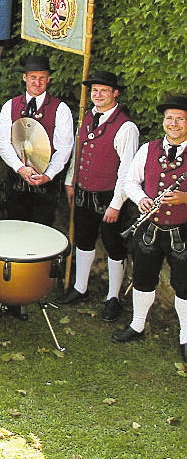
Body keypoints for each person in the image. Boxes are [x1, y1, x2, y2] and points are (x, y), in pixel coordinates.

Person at [56, 70, 141, 322]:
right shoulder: (87, 118)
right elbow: (78, 151)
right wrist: (72, 180)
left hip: (109, 197)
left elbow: (127, 171)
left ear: (115, 93)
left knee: (113, 245)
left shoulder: (126, 128)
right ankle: (80, 288)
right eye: (94, 90)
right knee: (84, 239)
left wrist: (116, 205)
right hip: (83, 191)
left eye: (104, 90)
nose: (98, 94)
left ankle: (112, 297)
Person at [112, 95, 187, 360]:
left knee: (185, 285)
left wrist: (183, 198)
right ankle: (137, 325)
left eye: (180, 119)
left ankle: (185, 336)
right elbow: (131, 182)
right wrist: (142, 199)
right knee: (143, 278)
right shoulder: (148, 148)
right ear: (163, 121)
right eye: (170, 118)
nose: (174, 123)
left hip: (182, 229)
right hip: (149, 227)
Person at [0, 55, 75, 226]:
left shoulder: (60, 109)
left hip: (46, 182)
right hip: (16, 179)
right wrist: (20, 168)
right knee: (15, 227)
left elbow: (64, 148)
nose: (37, 83)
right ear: (25, 77)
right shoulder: (10, 106)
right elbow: (3, 143)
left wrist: (48, 175)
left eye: (42, 78)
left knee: (42, 230)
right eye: (33, 77)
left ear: (49, 79)